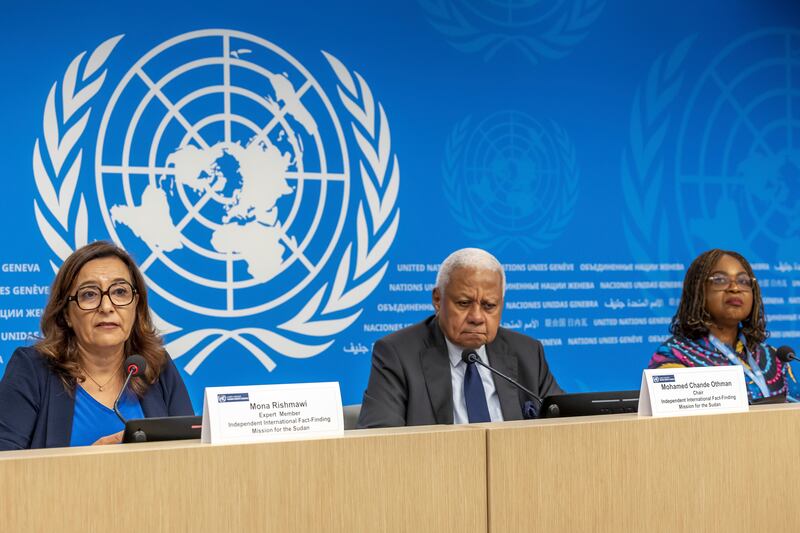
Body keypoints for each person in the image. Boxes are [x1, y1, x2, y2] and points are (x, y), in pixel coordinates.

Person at [0, 241, 194, 450]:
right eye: (89, 294)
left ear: (136, 305)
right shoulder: (33, 370)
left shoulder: (156, 367)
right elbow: (7, 469)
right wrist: (89, 464)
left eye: (120, 292)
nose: (107, 306)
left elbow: (191, 456)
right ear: (67, 314)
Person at [357, 248, 562, 428]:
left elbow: (565, 421)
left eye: (489, 305)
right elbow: (380, 438)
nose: (477, 317)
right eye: (464, 303)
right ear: (438, 300)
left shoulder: (527, 352)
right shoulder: (398, 354)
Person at [649, 248, 799, 403]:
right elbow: (672, 424)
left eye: (743, 281)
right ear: (698, 290)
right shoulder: (674, 355)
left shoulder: (774, 357)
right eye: (720, 280)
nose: (735, 288)